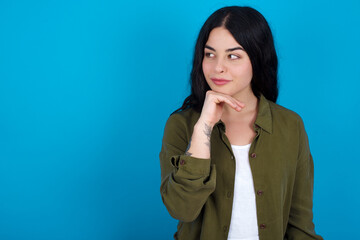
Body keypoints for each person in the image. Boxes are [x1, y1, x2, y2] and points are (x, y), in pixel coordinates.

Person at [159, 6, 323, 240]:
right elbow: (181, 209)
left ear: (256, 58)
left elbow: (301, 224)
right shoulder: (181, 125)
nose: (218, 67)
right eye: (209, 54)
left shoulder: (290, 125)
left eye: (233, 55)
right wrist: (203, 128)